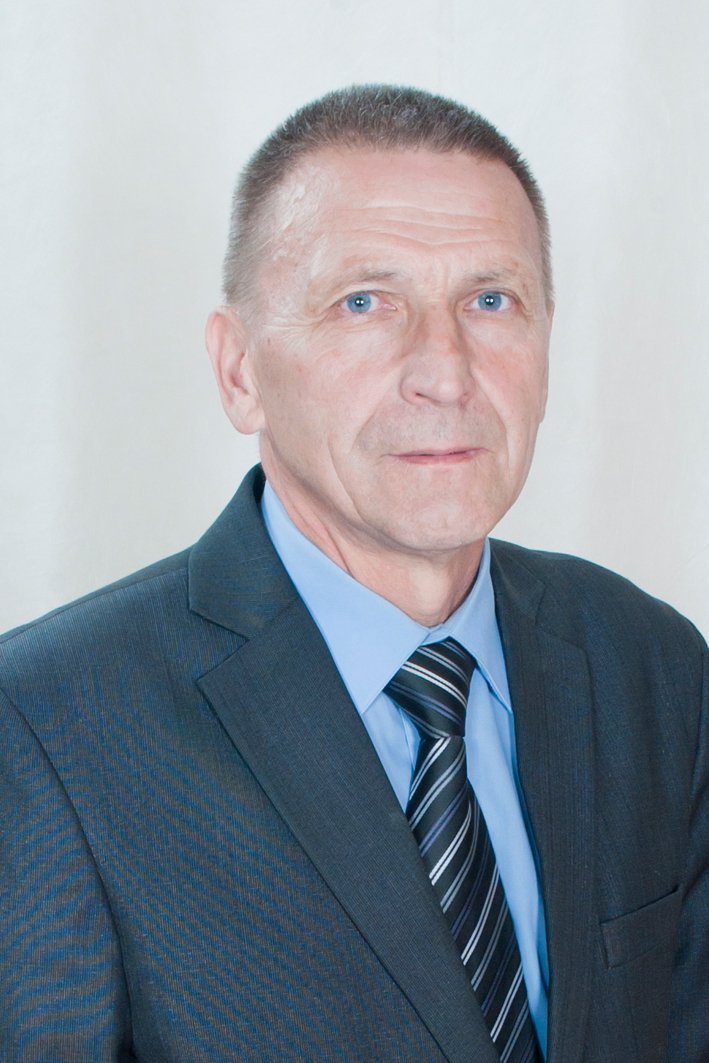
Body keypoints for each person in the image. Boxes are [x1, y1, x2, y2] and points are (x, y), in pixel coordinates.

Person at [0, 85, 706, 1063]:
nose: (445, 371)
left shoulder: (652, 665)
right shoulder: (45, 725)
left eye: (489, 300)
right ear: (239, 371)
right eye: (364, 303)